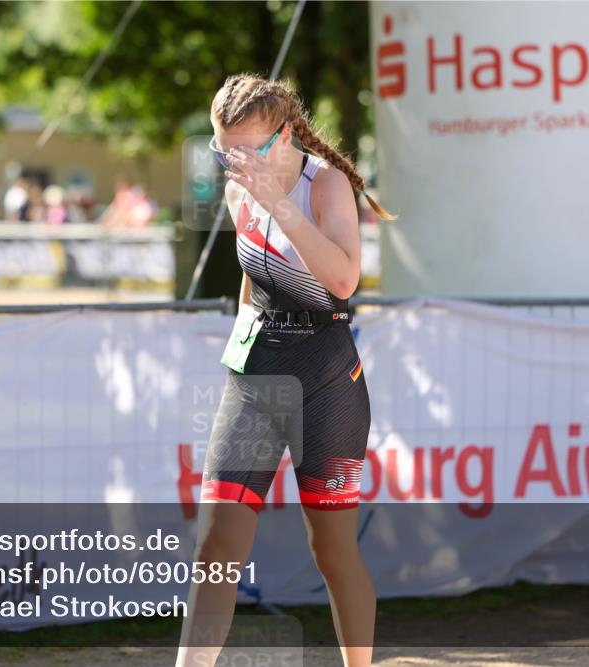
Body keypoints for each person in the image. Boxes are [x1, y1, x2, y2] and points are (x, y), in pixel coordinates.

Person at [175, 73, 395, 667]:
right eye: (226, 152)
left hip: (326, 378)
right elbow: (255, 278)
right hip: (257, 374)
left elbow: (343, 281)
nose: (237, 164)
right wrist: (244, 340)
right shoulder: (237, 190)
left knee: (332, 551)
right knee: (216, 545)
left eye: (250, 150)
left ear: (286, 133)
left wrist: (279, 205)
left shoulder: (326, 187)